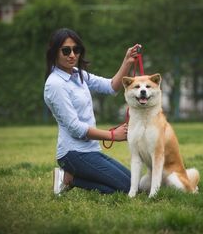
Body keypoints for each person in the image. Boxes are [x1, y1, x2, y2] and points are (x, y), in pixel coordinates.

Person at [44, 28, 141, 195]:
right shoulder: (55, 85)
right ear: (54, 53)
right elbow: (75, 127)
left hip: (91, 150)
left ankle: (71, 177)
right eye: (66, 50)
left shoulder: (77, 74)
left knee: (135, 184)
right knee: (128, 189)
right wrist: (112, 135)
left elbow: (111, 86)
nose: (72, 55)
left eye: (77, 50)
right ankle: (68, 178)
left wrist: (127, 61)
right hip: (73, 153)